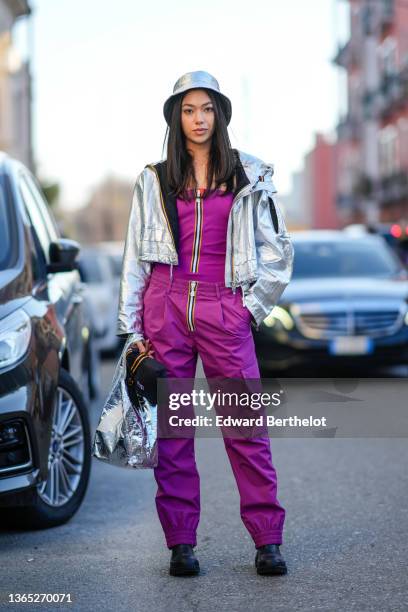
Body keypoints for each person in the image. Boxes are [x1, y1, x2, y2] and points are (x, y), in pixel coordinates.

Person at [117, 70, 294, 576]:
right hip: (165, 308)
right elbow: (135, 258)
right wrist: (133, 331)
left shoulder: (249, 175)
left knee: (245, 428)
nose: (199, 119)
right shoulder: (153, 179)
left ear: (220, 115)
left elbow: (278, 252)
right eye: (189, 110)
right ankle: (181, 544)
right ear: (177, 117)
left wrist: (249, 307)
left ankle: (267, 540)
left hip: (225, 309)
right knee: (173, 433)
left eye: (208, 109)